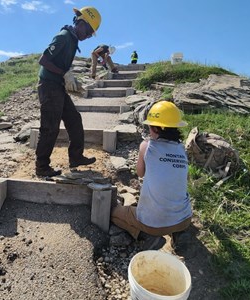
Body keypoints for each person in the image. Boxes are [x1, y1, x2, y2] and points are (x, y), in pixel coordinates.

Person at [110, 101, 192, 250]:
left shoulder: (147, 146)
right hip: (184, 218)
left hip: (152, 223)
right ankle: (179, 233)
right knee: (175, 210)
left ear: (155, 128)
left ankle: (147, 236)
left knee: (115, 213)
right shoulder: (181, 148)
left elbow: (140, 173)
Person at [35, 6, 101, 177]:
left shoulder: (73, 40)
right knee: (50, 127)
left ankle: (76, 157)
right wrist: (64, 74)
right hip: (49, 86)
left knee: (74, 119)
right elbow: (43, 60)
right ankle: (42, 167)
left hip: (58, 86)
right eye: (88, 32)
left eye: (90, 34)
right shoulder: (64, 37)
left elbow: (61, 65)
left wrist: (71, 81)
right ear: (81, 23)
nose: (87, 37)